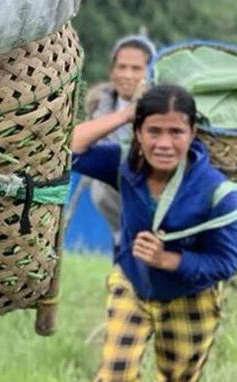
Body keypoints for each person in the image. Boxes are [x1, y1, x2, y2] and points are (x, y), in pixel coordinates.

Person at [71, 83, 237, 382]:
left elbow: (225, 262)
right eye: (153, 131)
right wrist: (123, 113)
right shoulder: (124, 165)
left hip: (192, 300)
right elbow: (70, 148)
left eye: (176, 132)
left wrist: (170, 260)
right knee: (114, 375)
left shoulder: (215, 191)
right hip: (132, 284)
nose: (164, 143)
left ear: (192, 133)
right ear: (138, 132)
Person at [81, 35, 157, 244]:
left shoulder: (161, 109)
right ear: (111, 71)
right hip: (113, 202)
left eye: (136, 68)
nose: (127, 75)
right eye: (122, 67)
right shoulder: (99, 108)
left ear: (149, 72)